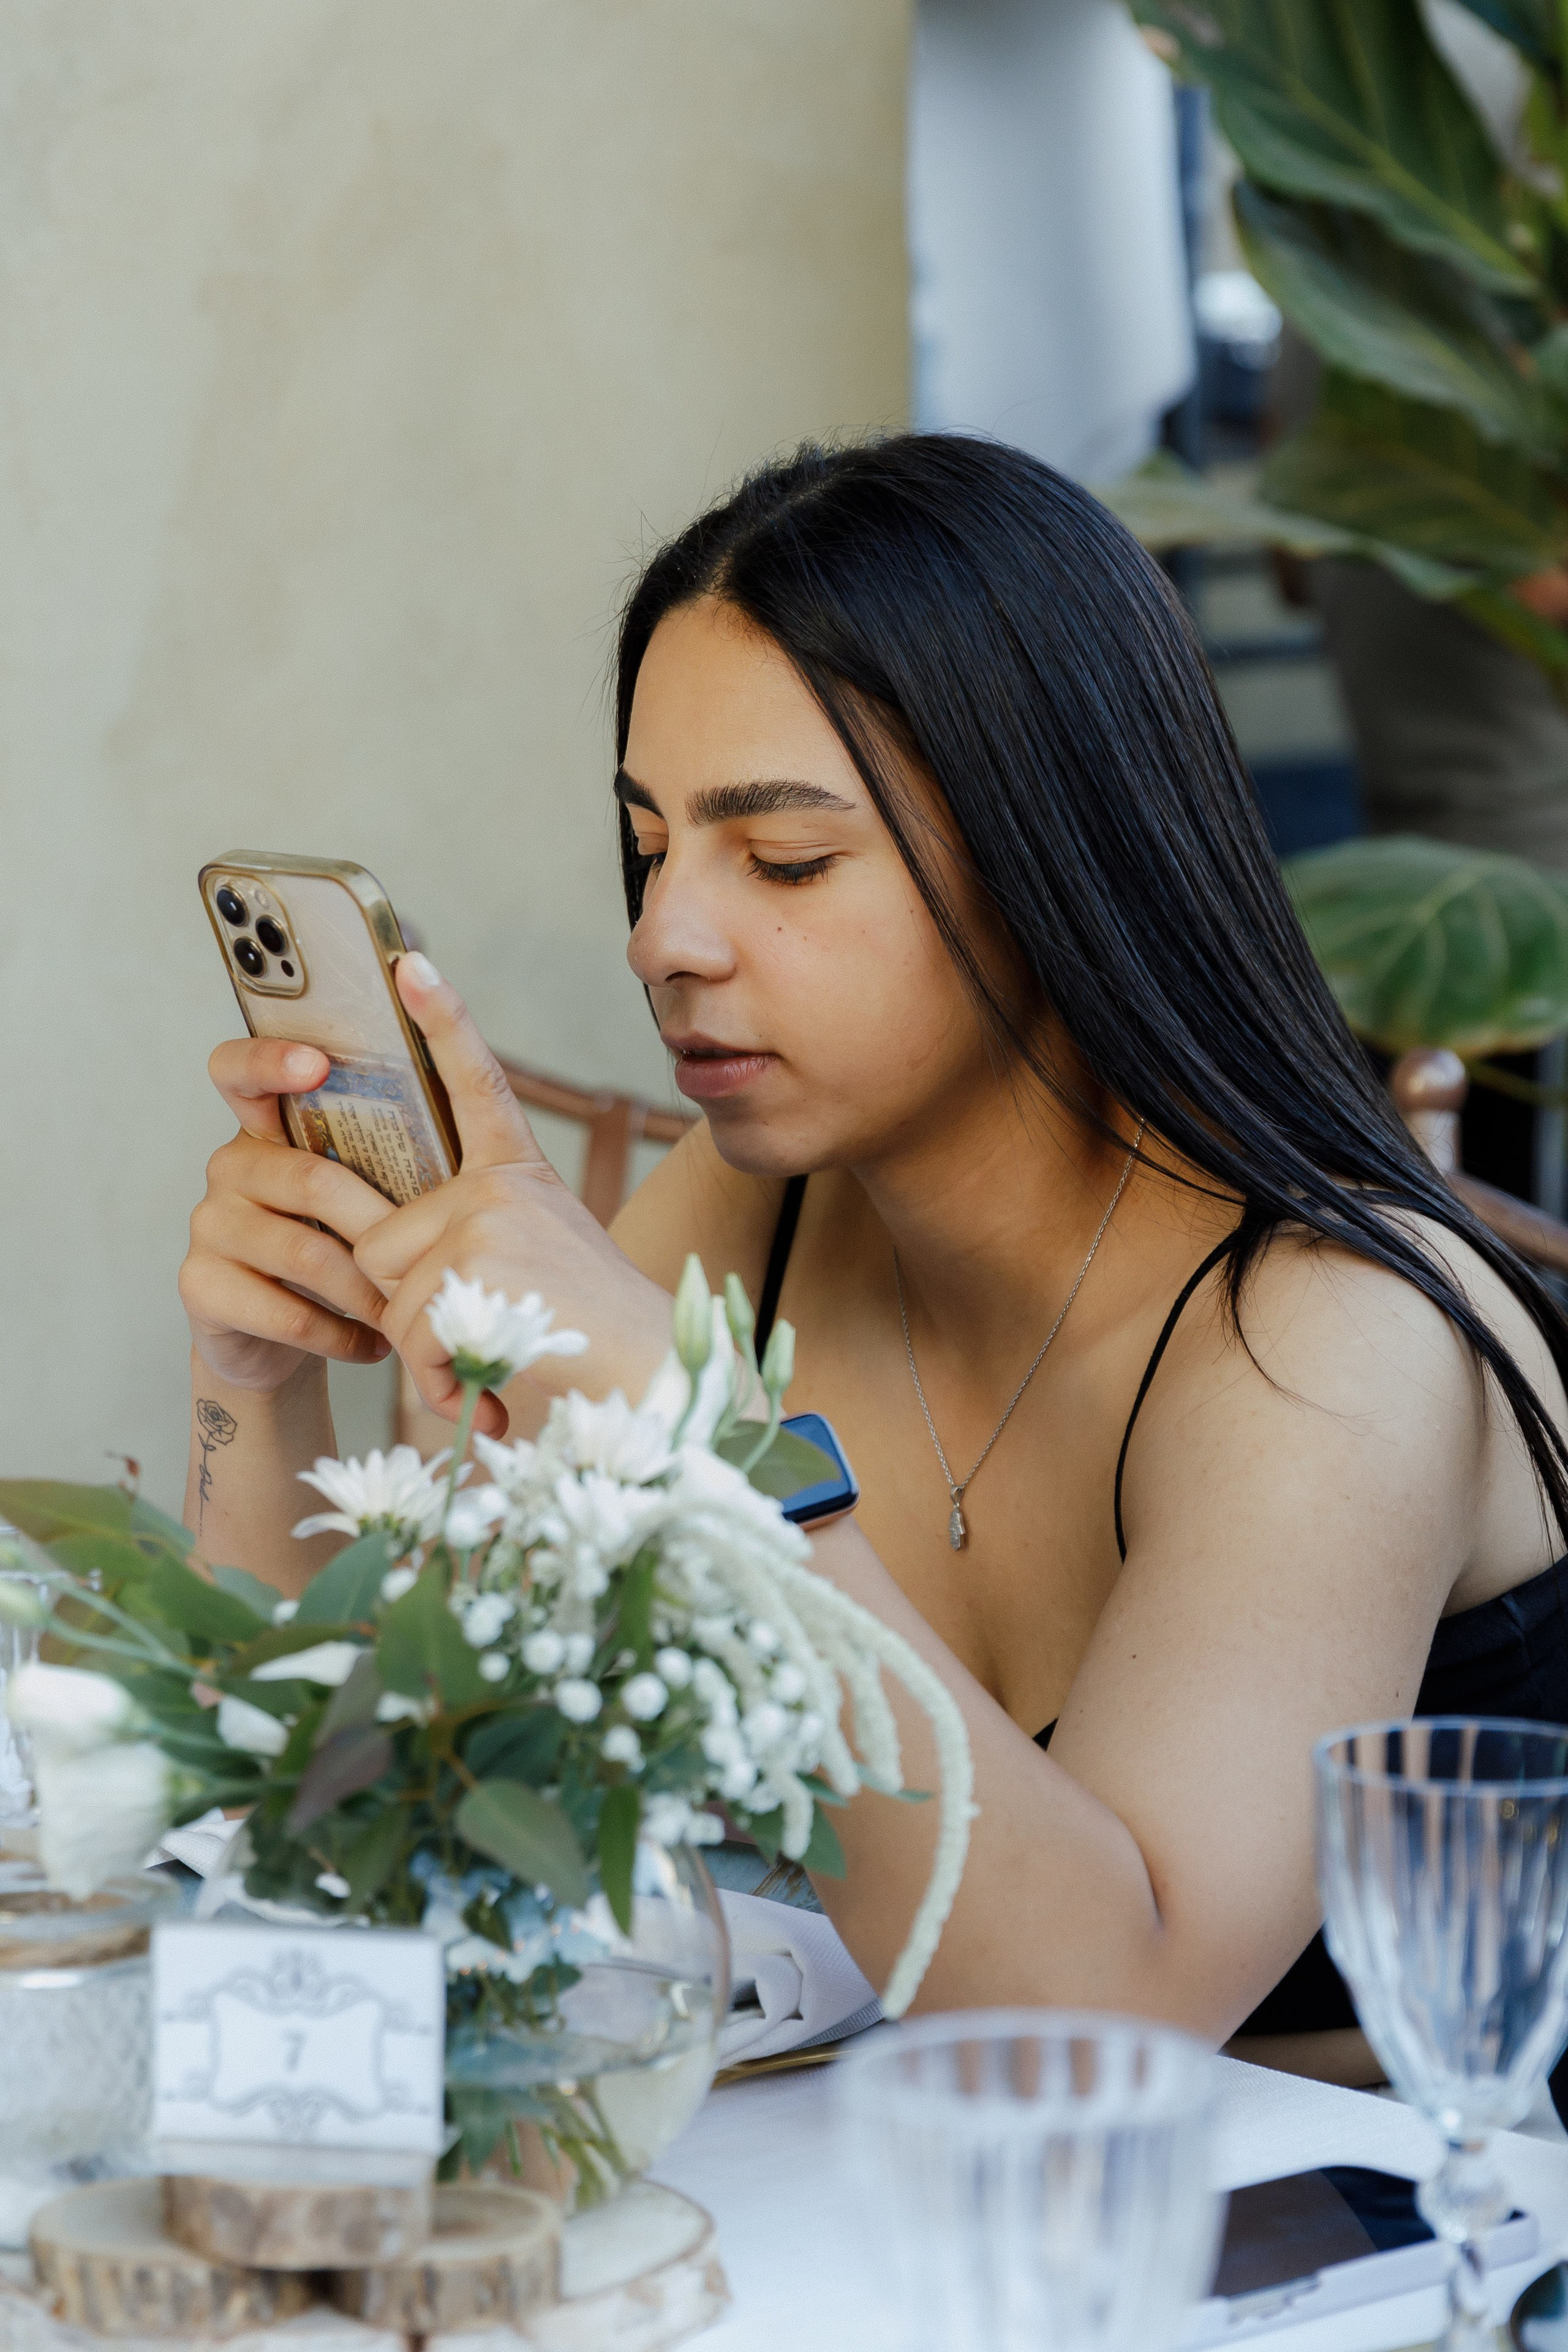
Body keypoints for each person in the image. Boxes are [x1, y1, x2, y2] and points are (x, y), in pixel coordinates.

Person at [178, 434, 1568, 2093]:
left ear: (1062, 855)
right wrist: (255, 1393)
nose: (664, 937)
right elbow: (379, 1817)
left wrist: (706, 1446)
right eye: (652, 844)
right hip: (947, 2223)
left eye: (784, 861)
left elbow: (1111, 2012)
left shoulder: (1324, 1332)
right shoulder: (757, 1215)